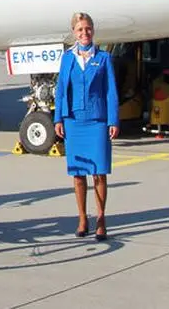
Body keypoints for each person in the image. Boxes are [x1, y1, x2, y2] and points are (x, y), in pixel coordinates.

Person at [52, 12, 119, 241]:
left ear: (93, 30)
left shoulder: (103, 58)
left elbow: (111, 91)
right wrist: (58, 119)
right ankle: (82, 217)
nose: (84, 33)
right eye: (80, 29)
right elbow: (61, 90)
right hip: (74, 120)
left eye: (88, 28)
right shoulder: (67, 58)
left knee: (99, 171)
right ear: (74, 32)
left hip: (97, 120)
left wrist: (113, 120)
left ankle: (101, 218)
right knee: (78, 173)